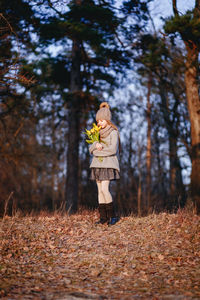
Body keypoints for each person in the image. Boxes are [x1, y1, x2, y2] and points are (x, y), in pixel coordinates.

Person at [89, 102, 120, 225]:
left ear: (107, 120)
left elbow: (113, 150)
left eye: (101, 120)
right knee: (99, 191)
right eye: (98, 121)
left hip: (108, 165)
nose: (99, 123)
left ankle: (112, 216)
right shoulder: (97, 134)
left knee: (105, 189)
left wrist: (97, 152)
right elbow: (90, 149)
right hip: (97, 165)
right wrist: (95, 145)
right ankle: (103, 217)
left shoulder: (113, 132)